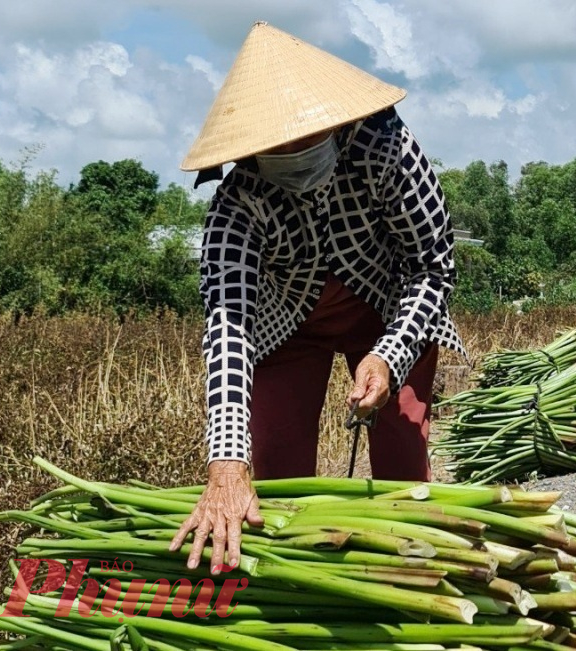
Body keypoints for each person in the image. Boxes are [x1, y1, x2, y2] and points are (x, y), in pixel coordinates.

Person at [168, 21, 465, 573]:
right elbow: (228, 329)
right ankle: (299, 585)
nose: (293, 152)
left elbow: (433, 266)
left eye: (304, 136)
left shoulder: (387, 149)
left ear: (335, 121)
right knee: (278, 479)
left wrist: (388, 355)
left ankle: (413, 576)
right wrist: (226, 465)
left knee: (402, 453)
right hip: (286, 325)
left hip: (389, 308)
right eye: (275, 146)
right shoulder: (238, 206)